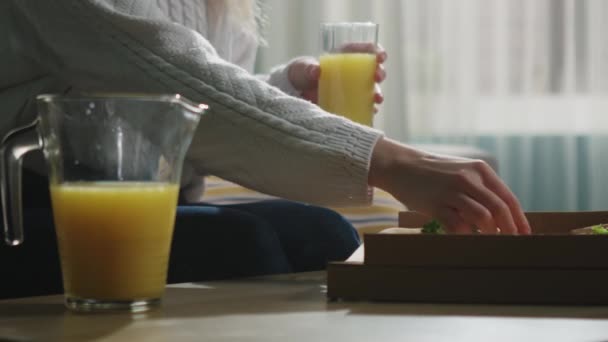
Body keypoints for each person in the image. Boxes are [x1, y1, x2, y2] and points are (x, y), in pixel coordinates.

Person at [0, 0, 530, 298]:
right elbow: (168, 77)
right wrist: (391, 160)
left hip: (155, 197)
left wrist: (286, 90)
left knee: (324, 234)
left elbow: (190, 105)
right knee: (243, 242)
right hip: (23, 211)